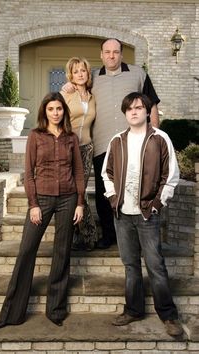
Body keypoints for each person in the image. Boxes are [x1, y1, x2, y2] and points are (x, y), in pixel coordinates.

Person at [0, 92, 85, 329]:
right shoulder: (35, 136)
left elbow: (79, 172)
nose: (55, 113)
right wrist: (33, 204)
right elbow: (29, 173)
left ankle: (56, 310)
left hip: (68, 199)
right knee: (26, 250)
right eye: (51, 109)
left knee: (62, 252)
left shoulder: (71, 138)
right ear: (45, 112)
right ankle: (11, 313)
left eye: (59, 109)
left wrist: (80, 202)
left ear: (64, 111)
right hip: (41, 198)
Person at [62, 38, 160, 249]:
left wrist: (155, 136)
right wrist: (67, 84)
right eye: (107, 52)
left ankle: (136, 237)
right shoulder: (93, 76)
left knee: (134, 188)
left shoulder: (138, 74)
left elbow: (151, 105)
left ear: (121, 54)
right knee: (103, 191)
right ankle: (108, 234)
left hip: (133, 144)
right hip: (102, 144)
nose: (111, 56)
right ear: (101, 54)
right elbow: (78, 86)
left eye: (115, 52)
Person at [101, 92, 183, 337]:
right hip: (122, 215)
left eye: (138, 107)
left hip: (148, 214)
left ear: (147, 111)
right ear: (125, 113)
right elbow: (107, 173)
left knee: (155, 266)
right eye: (129, 109)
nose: (134, 112)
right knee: (130, 266)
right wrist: (114, 199)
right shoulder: (117, 140)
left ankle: (168, 316)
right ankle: (133, 309)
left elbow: (171, 176)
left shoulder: (160, 138)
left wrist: (157, 204)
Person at [61, 57, 97, 251]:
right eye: (76, 71)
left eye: (83, 70)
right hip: (69, 147)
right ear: (71, 75)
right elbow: (54, 115)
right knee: (74, 190)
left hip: (87, 147)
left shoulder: (92, 95)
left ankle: (81, 236)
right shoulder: (66, 93)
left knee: (80, 190)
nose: (80, 74)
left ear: (87, 73)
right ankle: (87, 235)